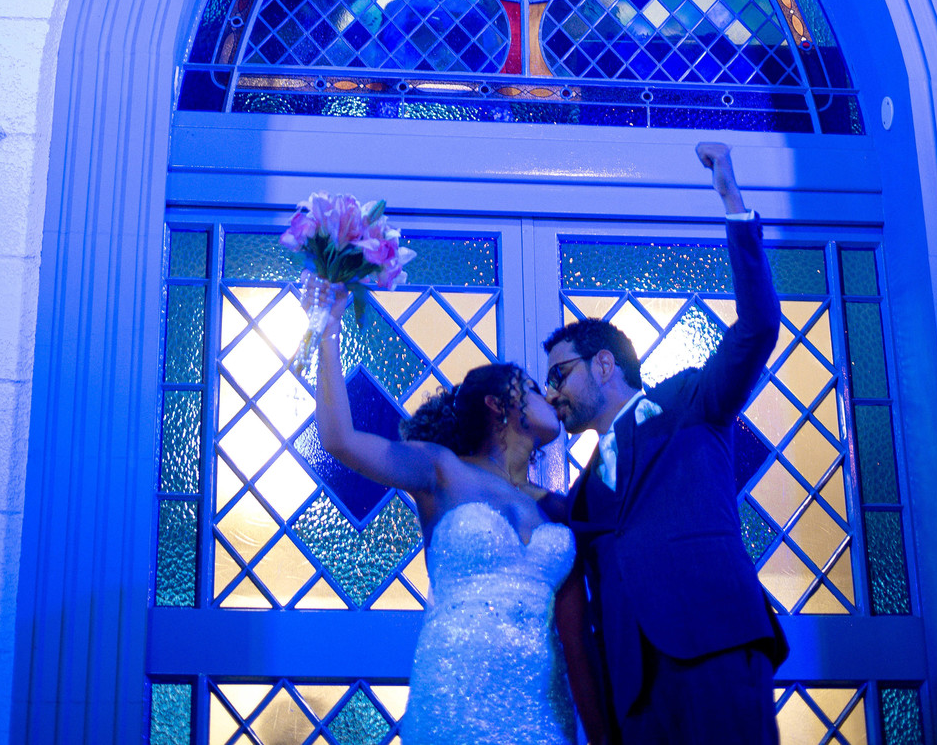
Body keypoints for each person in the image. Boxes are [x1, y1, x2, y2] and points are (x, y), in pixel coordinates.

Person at [543, 140, 788, 745]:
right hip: (635, 693)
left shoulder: (688, 404)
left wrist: (731, 198)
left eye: (560, 375)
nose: (552, 394)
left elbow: (758, 327)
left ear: (604, 365)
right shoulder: (580, 496)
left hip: (714, 649)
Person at [312, 281, 612, 745]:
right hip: (454, 697)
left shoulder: (558, 509)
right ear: (498, 403)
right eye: (535, 389)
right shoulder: (443, 470)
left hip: (541, 712)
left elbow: (578, 642)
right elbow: (340, 440)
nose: (552, 398)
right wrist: (327, 327)